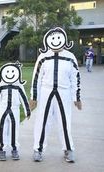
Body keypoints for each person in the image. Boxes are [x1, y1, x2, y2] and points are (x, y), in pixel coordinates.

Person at [30, 27, 82, 163]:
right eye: (52, 38)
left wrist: (76, 97)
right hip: (46, 93)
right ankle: (38, 149)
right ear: (47, 41)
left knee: (64, 122)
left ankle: (68, 149)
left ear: (64, 40)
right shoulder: (43, 57)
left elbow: (75, 78)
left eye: (59, 38)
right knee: (42, 121)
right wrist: (34, 97)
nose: (56, 41)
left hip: (63, 93)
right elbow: (36, 78)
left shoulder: (70, 57)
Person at [0, 61, 31, 161]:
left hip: (14, 110)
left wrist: (27, 111)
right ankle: (2, 149)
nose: (10, 74)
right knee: (2, 129)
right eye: (7, 72)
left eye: (13, 72)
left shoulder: (18, 86)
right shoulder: (1, 86)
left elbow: (24, 98)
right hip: (3, 110)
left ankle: (14, 148)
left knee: (14, 129)